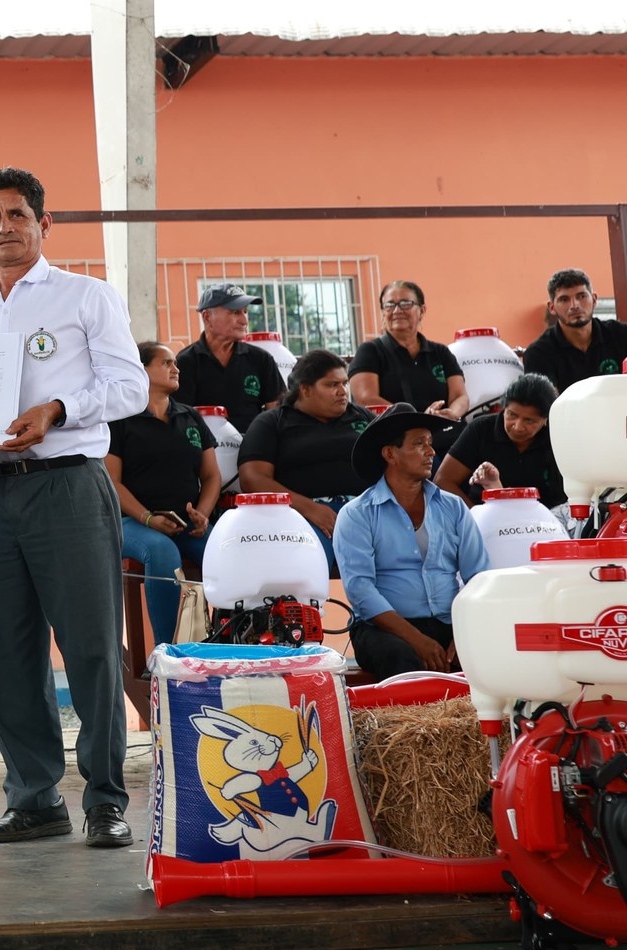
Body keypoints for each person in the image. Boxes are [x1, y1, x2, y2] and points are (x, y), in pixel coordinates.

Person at [0, 166, 149, 849]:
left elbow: (131, 388)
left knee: (90, 648)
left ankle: (105, 800)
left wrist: (57, 408)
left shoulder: (87, 296)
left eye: (17, 215)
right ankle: (33, 798)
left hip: (67, 485)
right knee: (4, 652)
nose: (5, 228)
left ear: (43, 223)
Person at [333, 404, 488, 682]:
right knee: (400, 655)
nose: (431, 452)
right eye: (419, 444)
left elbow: (480, 577)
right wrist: (418, 640)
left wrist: (465, 632)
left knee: (490, 644)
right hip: (383, 628)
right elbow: (360, 590)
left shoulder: (453, 507)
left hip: (448, 622)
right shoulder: (357, 514)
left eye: (430, 443)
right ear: (390, 454)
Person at [107, 342, 222, 649]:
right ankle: (170, 654)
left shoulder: (190, 417)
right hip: (131, 522)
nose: (176, 368)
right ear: (141, 369)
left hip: (187, 523)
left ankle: (226, 640)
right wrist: (147, 518)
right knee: (161, 551)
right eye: (166, 362)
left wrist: (203, 514)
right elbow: (111, 482)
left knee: (224, 551)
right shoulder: (119, 419)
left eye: (175, 363)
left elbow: (211, 476)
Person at [238, 350, 377, 569]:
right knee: (311, 565)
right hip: (301, 515)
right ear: (305, 389)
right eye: (332, 385)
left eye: (344, 383)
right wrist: (311, 509)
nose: (343, 391)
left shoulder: (363, 417)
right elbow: (252, 478)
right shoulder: (272, 422)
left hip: (366, 511)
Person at [433, 372, 564, 506]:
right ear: (504, 408)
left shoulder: (559, 436)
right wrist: (473, 514)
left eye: (529, 421)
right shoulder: (481, 429)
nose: (518, 427)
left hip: (546, 516)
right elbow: (443, 481)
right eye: (512, 415)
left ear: (546, 419)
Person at [348, 281, 467, 419]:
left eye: (405, 304)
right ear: (383, 312)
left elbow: (460, 396)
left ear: (422, 310)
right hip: (395, 429)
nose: (397, 311)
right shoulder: (370, 351)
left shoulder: (440, 352)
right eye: (389, 305)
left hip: (443, 426)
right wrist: (416, 421)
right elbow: (366, 399)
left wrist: (451, 414)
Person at [172, 285, 283, 431]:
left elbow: (278, 414)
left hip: (254, 443)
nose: (244, 321)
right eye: (235, 312)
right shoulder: (186, 362)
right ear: (207, 317)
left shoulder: (261, 359)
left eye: (245, 312)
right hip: (207, 443)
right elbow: (180, 420)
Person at [520, 268, 627, 392]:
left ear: (594, 299)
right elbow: (547, 401)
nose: (575, 305)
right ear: (552, 307)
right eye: (564, 299)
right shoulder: (538, 353)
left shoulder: (621, 335)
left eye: (581, 296)